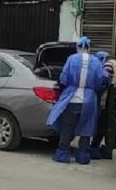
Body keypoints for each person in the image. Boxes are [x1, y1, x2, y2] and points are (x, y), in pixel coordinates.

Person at [46, 37, 110, 165]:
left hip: (72, 98)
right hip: (90, 100)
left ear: (78, 47)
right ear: (89, 48)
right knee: (87, 128)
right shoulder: (96, 62)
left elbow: (63, 78)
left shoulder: (72, 59)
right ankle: (83, 155)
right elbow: (101, 81)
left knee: (67, 127)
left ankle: (63, 153)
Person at [90, 51, 116, 159]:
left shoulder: (108, 65)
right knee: (109, 126)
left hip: (109, 101)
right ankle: (107, 150)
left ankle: (95, 148)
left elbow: (103, 82)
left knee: (102, 125)